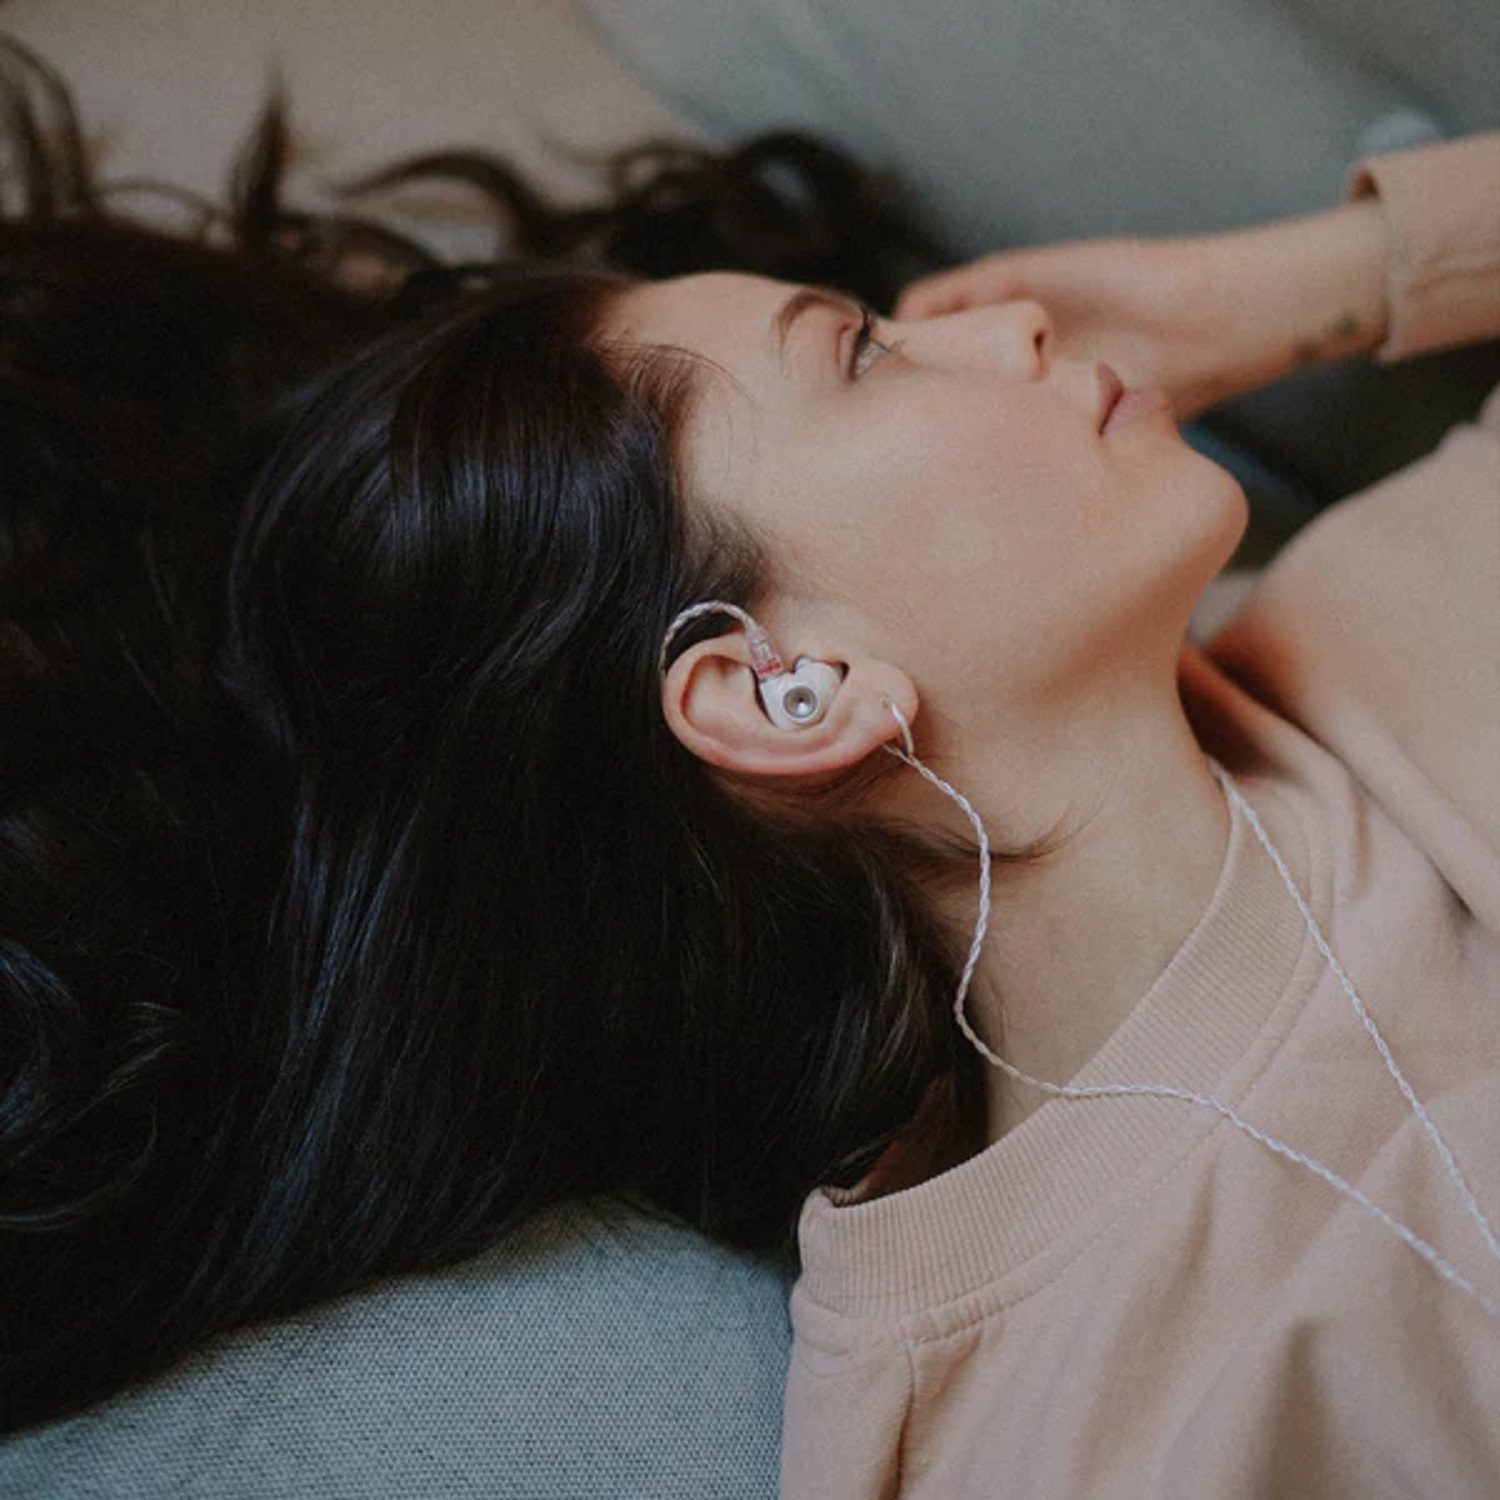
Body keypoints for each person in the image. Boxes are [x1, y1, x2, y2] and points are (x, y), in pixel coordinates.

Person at [1, 37, 1496, 1494]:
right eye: (865, 355)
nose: (1015, 322)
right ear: (788, 694)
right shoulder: (1057, 1427)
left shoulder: (1403, 583)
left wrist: (1315, 282)